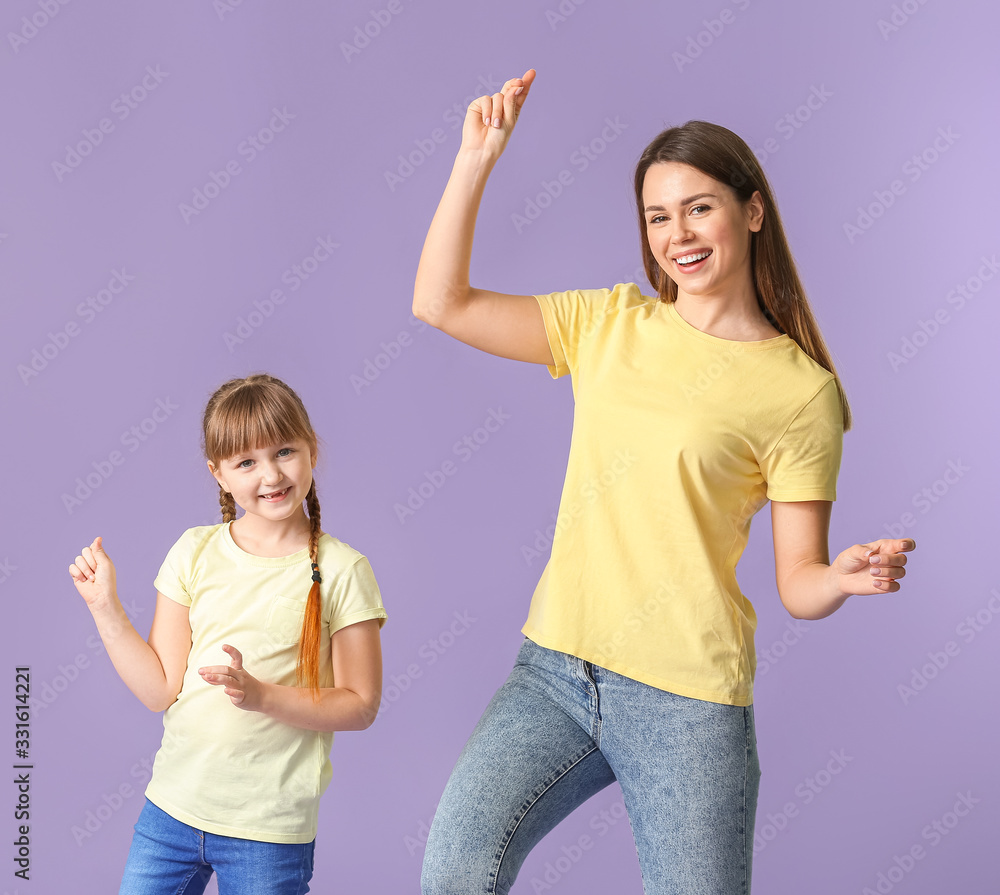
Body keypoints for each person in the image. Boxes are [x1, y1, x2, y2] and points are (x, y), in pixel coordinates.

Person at [412, 69, 916, 894]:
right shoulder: (607, 323)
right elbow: (442, 303)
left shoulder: (801, 391)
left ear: (751, 211)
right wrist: (475, 158)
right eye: (657, 216)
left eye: (699, 206)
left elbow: (798, 582)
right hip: (555, 671)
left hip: (687, 703)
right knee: (456, 874)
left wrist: (842, 578)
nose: (677, 233)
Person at [68, 373, 386, 895]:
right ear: (218, 474)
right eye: (246, 462)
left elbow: (360, 705)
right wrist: (105, 607)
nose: (270, 474)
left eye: (284, 450)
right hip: (170, 812)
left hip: (268, 831)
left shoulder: (343, 569)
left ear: (311, 450)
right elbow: (158, 690)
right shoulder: (193, 551)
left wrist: (261, 696)